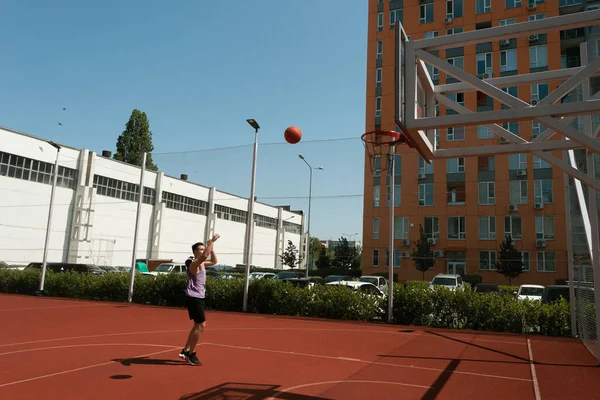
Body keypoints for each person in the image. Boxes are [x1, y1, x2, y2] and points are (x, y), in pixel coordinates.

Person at [178, 233, 220, 366]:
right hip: (194, 297)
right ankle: (191, 354)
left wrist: (211, 248)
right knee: (201, 325)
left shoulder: (201, 264)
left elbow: (214, 261)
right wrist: (211, 242)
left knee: (197, 325)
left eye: (203, 248)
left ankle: (186, 351)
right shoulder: (193, 264)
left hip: (199, 296)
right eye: (200, 249)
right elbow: (204, 257)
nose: (203, 251)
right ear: (195, 252)